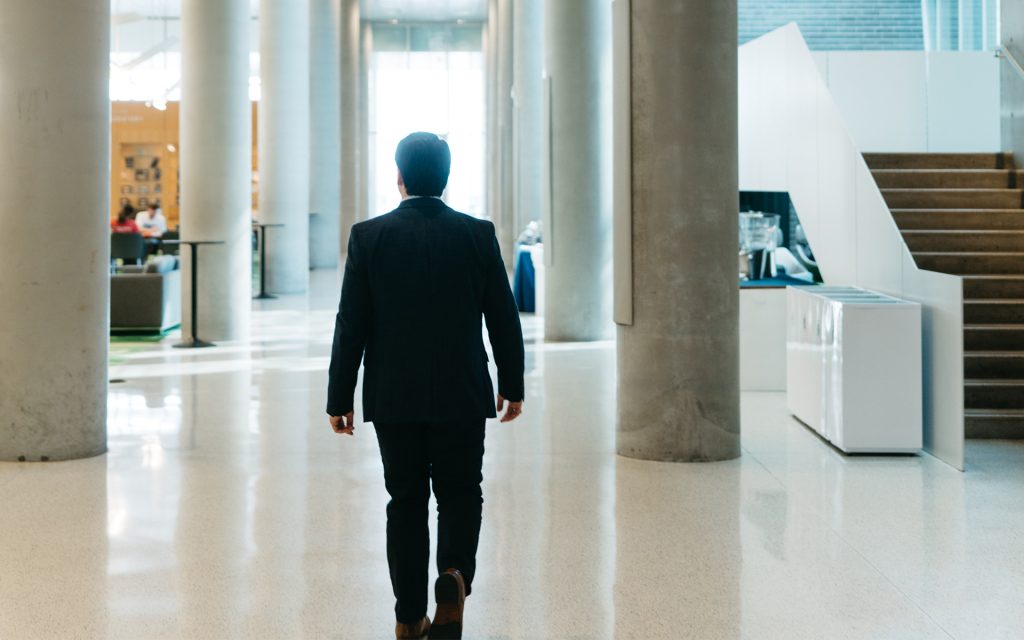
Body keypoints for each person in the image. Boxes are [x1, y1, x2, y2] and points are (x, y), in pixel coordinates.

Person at [327, 132, 525, 640]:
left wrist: (339, 396)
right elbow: (504, 316)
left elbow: (352, 322)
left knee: (406, 502)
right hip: (462, 390)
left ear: (399, 177)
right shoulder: (477, 234)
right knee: (462, 492)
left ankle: (409, 614)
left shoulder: (369, 236)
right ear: (446, 178)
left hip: (394, 395)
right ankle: (454, 575)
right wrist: (513, 382)